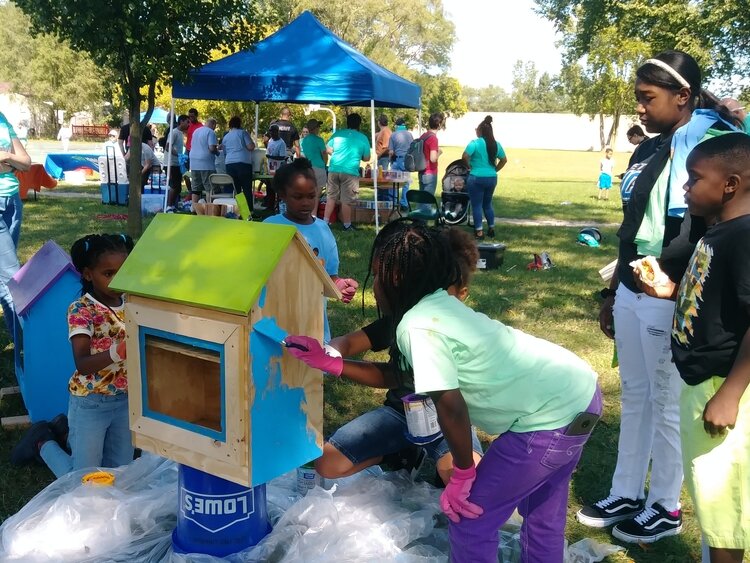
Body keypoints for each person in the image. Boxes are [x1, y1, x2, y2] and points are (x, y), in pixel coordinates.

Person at [286, 220, 600, 563]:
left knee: (470, 521)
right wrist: (333, 363)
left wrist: (465, 472)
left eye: (375, 275)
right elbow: (400, 374)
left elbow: (450, 406)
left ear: (393, 279)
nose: (373, 286)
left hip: (547, 420)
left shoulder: (416, 325)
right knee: (542, 515)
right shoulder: (434, 305)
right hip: (580, 392)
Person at [579, 50, 742, 544]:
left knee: (669, 401)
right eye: (637, 100)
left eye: (648, 99)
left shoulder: (710, 150)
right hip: (633, 285)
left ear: (683, 97)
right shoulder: (647, 149)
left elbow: (706, 229)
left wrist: (671, 282)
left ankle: (665, 505)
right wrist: (612, 292)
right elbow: (631, 226)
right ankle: (626, 490)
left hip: (672, 292)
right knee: (636, 395)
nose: (641, 110)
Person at [289, 223, 484, 486]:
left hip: (444, 424)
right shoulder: (400, 321)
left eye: (380, 277)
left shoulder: (438, 330)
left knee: (467, 477)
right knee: (328, 462)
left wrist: (462, 470)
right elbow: (353, 344)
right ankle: (400, 455)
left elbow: (444, 404)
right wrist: (330, 353)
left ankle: (437, 464)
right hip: (399, 414)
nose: (376, 286)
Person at [664, 133, 750, 563]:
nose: (686, 187)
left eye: (694, 178)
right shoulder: (720, 231)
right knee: (713, 501)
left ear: (730, 184)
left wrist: (730, 393)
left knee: (723, 510)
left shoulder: (744, 236)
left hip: (720, 386)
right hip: (702, 381)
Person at [10, 234, 135, 477]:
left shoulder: (132, 302)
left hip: (125, 401)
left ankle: (64, 430)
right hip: (90, 402)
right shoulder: (81, 309)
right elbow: (83, 363)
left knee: (121, 473)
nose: (118, 280)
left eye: (124, 271)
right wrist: (117, 352)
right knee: (83, 478)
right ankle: (43, 443)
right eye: (108, 274)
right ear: (88, 274)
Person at [263, 159, 357, 342]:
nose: (306, 202)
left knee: (310, 365)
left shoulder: (323, 229)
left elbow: (329, 276)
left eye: (311, 196)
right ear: (282, 195)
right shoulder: (271, 227)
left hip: (311, 319)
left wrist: (340, 286)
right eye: (298, 197)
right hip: (275, 316)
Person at [0, 111, 30, 339]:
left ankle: (20, 344)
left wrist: (6, 157)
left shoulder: (2, 119)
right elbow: (15, 162)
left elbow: (26, 162)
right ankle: (29, 346)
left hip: (12, 201)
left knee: (4, 277)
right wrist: (11, 160)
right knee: (12, 276)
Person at [462, 115, 507, 240]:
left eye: (476, 129)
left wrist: (469, 167)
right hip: (492, 178)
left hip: (476, 177)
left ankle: (479, 231)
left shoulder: (475, 143)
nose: (475, 130)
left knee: (476, 205)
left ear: (480, 130)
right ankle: (491, 228)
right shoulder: (496, 144)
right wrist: (495, 170)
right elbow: (504, 160)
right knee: (487, 204)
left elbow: (465, 156)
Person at [323, 113, 371, 231]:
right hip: (350, 171)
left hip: (334, 168)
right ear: (359, 124)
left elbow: (328, 149)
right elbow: (367, 158)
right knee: (346, 200)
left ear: (347, 123)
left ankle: (325, 222)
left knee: (331, 197)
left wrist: (336, 154)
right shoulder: (363, 138)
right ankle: (347, 225)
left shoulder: (337, 134)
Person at [223, 116, 256, 206]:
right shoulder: (243, 133)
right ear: (239, 124)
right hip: (243, 162)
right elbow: (250, 147)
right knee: (246, 188)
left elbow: (225, 151)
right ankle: (249, 211)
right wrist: (253, 143)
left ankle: (238, 209)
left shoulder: (226, 137)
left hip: (229, 163)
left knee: (236, 189)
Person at [188, 118, 219, 204]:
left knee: (195, 187)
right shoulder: (210, 132)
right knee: (209, 187)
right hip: (206, 163)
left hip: (194, 162)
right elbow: (212, 148)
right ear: (213, 125)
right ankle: (209, 207)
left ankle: (194, 208)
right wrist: (217, 152)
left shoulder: (196, 131)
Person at [164, 115, 189, 212]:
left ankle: (173, 205)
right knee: (174, 185)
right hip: (170, 163)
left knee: (178, 186)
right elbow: (167, 147)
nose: (188, 124)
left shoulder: (181, 133)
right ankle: (169, 206)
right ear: (181, 121)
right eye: (187, 122)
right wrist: (178, 155)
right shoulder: (174, 132)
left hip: (176, 164)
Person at [388, 117, 414, 209]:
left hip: (396, 160)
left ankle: (393, 202)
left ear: (396, 125)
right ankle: (404, 203)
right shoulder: (410, 135)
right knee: (406, 184)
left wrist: (390, 160)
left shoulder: (393, 135)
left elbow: (391, 151)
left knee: (393, 182)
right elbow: (412, 148)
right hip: (407, 161)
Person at [418, 113, 443, 198]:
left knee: (422, 200)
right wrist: (439, 152)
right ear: (439, 124)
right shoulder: (433, 138)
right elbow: (433, 159)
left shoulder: (424, 136)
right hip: (430, 172)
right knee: (427, 202)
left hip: (421, 171)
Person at [300, 119, 328, 191]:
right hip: (319, 167)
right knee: (318, 192)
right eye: (318, 126)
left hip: (308, 168)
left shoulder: (304, 141)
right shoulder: (319, 140)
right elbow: (324, 154)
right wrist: (325, 163)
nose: (319, 128)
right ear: (315, 128)